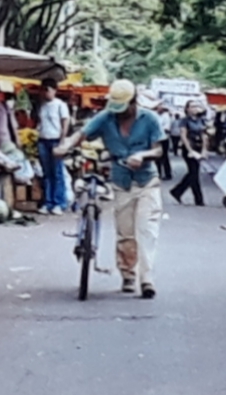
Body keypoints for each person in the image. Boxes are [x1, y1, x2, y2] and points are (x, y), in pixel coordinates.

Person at [56, 79, 164, 297]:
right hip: (121, 180)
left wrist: (142, 155)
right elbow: (82, 134)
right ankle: (128, 275)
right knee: (125, 233)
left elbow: (158, 150)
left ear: (133, 102)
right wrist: (66, 145)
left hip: (146, 181)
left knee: (146, 231)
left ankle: (147, 280)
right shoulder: (106, 117)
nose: (120, 113)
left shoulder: (150, 119)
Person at [36, 78, 70, 215]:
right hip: (43, 140)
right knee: (46, 173)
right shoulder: (42, 106)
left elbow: (65, 122)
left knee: (57, 173)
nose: (45, 93)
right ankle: (48, 202)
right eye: (43, 90)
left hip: (55, 140)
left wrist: (62, 140)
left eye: (48, 90)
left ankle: (59, 203)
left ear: (54, 90)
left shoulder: (60, 105)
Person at [170, 99, 209, 206]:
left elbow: (204, 135)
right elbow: (183, 136)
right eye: (192, 106)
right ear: (187, 109)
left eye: (196, 106)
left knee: (193, 173)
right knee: (194, 173)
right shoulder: (184, 121)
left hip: (199, 147)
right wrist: (190, 150)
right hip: (189, 148)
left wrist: (204, 150)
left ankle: (177, 191)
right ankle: (198, 199)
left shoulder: (201, 120)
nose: (195, 108)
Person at [155, 105, 173, 182]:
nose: (159, 109)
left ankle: (168, 174)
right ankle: (157, 174)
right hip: (156, 139)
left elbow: (167, 128)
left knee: (164, 157)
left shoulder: (166, 116)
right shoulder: (155, 115)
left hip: (164, 138)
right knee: (156, 157)